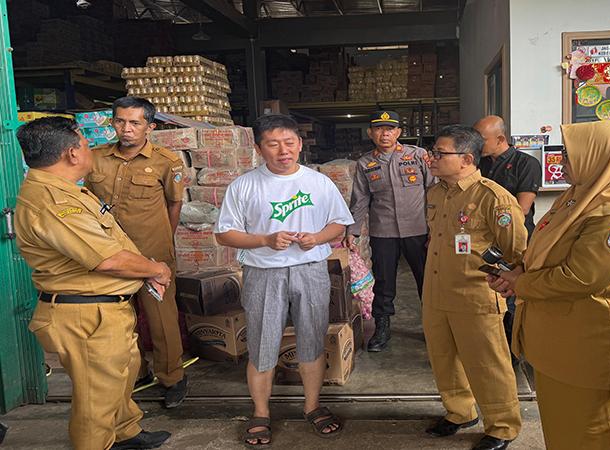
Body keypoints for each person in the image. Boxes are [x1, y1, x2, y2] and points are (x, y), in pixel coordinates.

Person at [488, 120, 610, 449]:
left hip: (595, 342)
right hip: (563, 339)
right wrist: (518, 270)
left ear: (601, 157)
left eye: (570, 154)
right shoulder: (579, 197)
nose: (561, 161)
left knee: (599, 433)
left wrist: (522, 283)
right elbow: (547, 251)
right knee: (567, 430)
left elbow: (582, 276)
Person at [14, 117, 172, 450]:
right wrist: (155, 268)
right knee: (96, 398)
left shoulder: (64, 190)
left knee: (119, 377)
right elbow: (108, 259)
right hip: (86, 315)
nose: (90, 149)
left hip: (102, 310)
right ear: (72, 153)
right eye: (85, 143)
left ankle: (125, 432)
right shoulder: (54, 202)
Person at [215, 114, 353, 446]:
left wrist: (318, 238)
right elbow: (225, 234)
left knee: (311, 341)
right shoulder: (244, 185)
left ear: (300, 145)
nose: (283, 151)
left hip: (311, 271)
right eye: (273, 144)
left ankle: (313, 407)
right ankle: (260, 413)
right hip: (263, 274)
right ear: (260, 148)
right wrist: (265, 240)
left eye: (289, 143)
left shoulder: (318, 182)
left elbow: (340, 224)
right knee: (262, 346)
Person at [423, 125, 527, 450]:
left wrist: (511, 282)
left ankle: (502, 426)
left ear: (466, 159)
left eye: (440, 153)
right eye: (433, 152)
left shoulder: (493, 198)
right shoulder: (436, 193)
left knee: (488, 364)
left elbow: (517, 253)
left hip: (476, 296)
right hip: (437, 291)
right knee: (444, 357)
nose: (432, 158)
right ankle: (459, 412)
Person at [84, 96, 188, 408]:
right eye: (120, 121)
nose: (126, 129)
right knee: (118, 317)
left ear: (149, 126)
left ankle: (172, 377)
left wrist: (163, 243)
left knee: (160, 318)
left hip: (151, 255)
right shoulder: (96, 158)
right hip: (109, 254)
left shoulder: (165, 160)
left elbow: (174, 203)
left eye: (135, 123)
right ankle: (136, 372)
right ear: (112, 122)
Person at [345, 110, 434, 352]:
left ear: (399, 133)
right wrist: (351, 232)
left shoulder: (418, 156)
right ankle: (382, 328)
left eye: (391, 129)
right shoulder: (365, 163)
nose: (385, 133)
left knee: (428, 280)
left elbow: (435, 191)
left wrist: (436, 228)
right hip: (384, 232)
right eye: (379, 129)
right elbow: (360, 200)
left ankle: (435, 327)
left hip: (418, 229)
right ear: (371, 133)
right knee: (384, 283)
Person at [474, 114, 542, 363]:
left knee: (512, 294)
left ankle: (513, 352)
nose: (476, 144)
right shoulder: (480, 164)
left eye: (481, 139)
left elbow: (521, 209)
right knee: (489, 289)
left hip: (515, 239)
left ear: (500, 138)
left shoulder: (526, 164)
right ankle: (494, 344)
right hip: (486, 240)